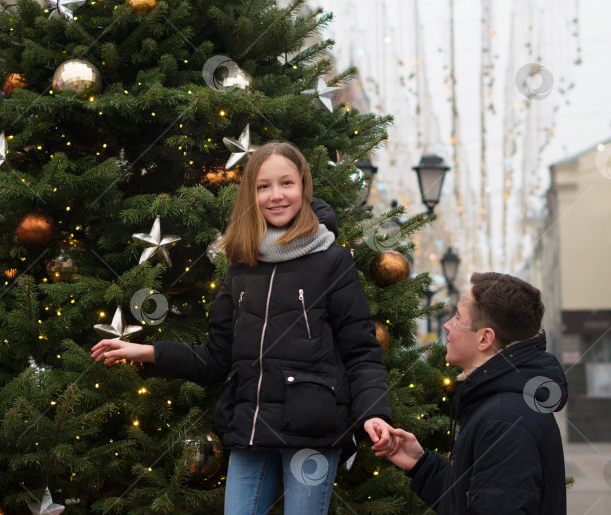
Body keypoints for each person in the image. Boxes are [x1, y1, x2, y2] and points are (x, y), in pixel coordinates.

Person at [91, 141, 392, 514]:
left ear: (304, 188)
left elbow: (362, 352)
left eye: (287, 183)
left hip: (312, 433)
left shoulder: (332, 262)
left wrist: (374, 412)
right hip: (250, 431)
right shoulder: (241, 267)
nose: (276, 195)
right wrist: (146, 352)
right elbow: (217, 358)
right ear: (251, 194)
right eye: (263, 186)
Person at [372, 272, 568, 514]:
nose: (447, 325)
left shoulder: (503, 421)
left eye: (457, 318)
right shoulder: (502, 403)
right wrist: (420, 464)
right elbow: (474, 495)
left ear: (485, 338)